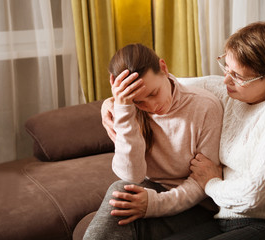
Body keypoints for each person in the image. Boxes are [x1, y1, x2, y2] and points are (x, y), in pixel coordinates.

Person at [101, 22, 265, 240]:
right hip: (228, 220)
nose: (226, 80)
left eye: (238, 76)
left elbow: (254, 195)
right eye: (226, 68)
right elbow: (165, 83)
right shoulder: (227, 90)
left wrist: (211, 182)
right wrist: (112, 103)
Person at [83, 43, 223, 239]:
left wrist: (153, 205)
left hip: (195, 207)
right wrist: (123, 111)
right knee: (122, 191)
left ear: (164, 69)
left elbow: (203, 183)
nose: (152, 106)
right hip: (152, 192)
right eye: (139, 101)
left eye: (153, 93)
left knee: (120, 197)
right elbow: (131, 175)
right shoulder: (127, 110)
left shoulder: (205, 108)